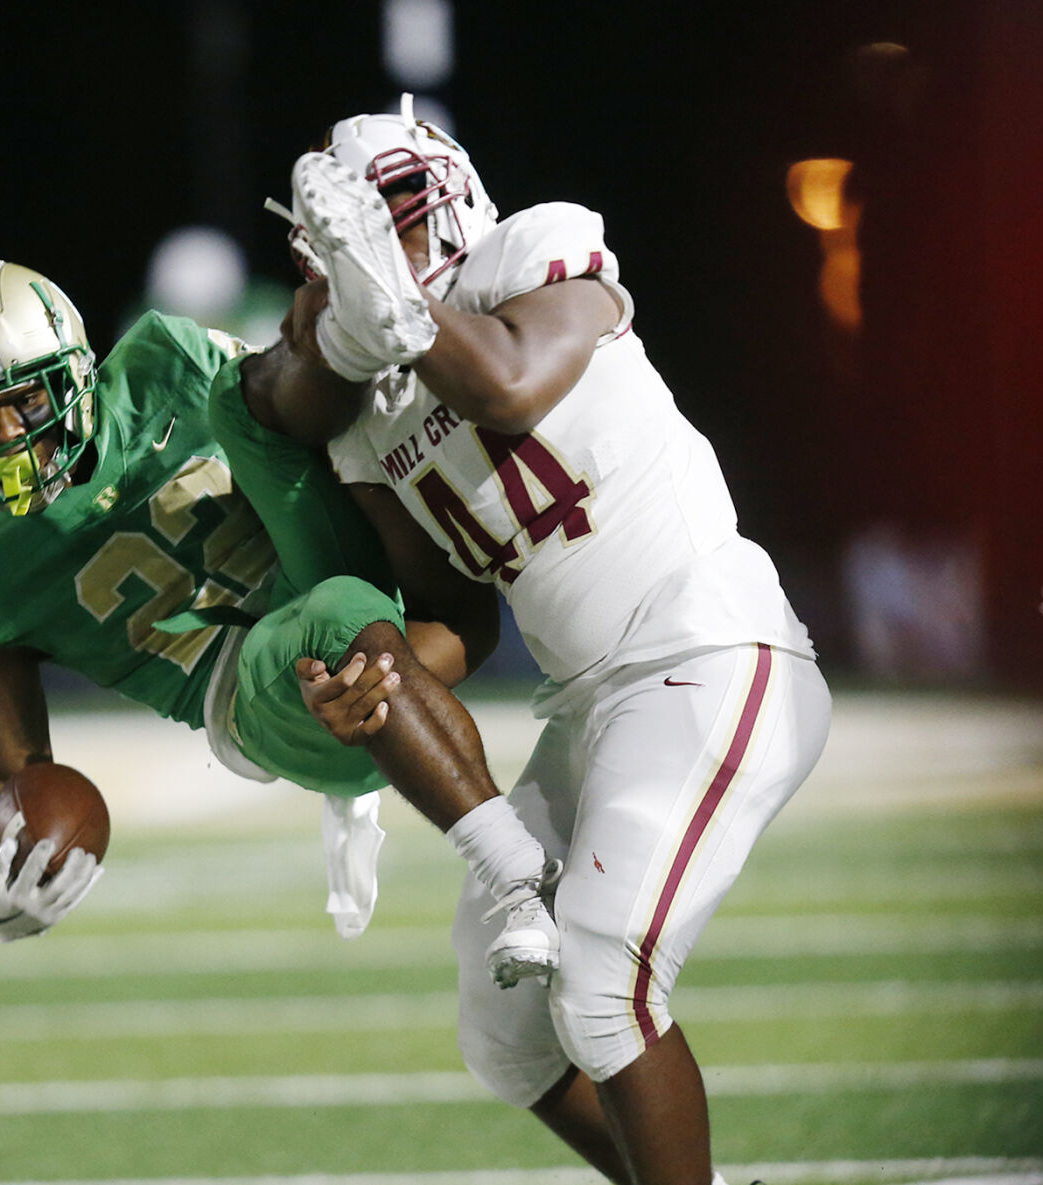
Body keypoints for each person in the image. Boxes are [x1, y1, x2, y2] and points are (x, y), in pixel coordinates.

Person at [274, 99, 832, 1185]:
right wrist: (368, 682)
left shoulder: (533, 254)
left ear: (447, 199)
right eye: (356, 236)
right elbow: (457, 618)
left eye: (395, 215)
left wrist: (398, 315)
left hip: (712, 649)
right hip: (590, 703)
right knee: (504, 1035)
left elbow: (509, 382)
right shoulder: (367, 417)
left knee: (603, 981)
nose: (385, 250)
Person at [0, 259, 560, 981]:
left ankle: (367, 315)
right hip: (261, 697)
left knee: (244, 398)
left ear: (74, 371)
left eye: (24, 401)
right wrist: (2, 871)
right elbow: (13, 776)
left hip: (344, 579)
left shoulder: (164, 361)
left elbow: (305, 434)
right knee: (334, 616)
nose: (4, 437)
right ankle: (519, 875)